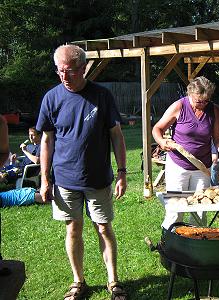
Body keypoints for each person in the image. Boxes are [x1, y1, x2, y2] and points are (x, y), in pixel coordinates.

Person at [36, 44, 128, 300]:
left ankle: (113, 281)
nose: (64, 77)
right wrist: (45, 179)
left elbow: (117, 136)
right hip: (65, 179)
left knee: (103, 228)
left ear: (84, 68)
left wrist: (122, 171)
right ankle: (78, 282)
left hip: (98, 178)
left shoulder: (102, 96)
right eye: (59, 71)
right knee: (73, 229)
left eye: (70, 71)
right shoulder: (52, 98)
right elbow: (47, 140)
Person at [152, 76, 219, 229]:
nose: (202, 104)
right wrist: (162, 142)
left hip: (202, 168)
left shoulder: (214, 110)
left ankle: (197, 245)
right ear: (190, 94)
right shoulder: (179, 106)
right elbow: (157, 128)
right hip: (178, 166)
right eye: (198, 101)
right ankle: (170, 244)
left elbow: (218, 138)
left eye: (206, 101)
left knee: (201, 209)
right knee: (176, 209)